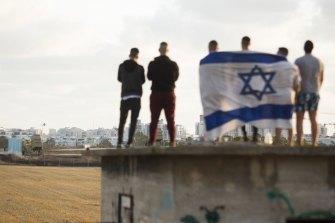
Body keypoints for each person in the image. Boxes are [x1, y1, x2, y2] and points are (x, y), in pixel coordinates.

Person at [147, 42, 179, 147]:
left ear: (159, 50)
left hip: (156, 92)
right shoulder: (173, 65)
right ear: (167, 50)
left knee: (154, 119)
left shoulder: (152, 64)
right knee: (170, 119)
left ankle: (152, 142)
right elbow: (176, 78)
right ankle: (172, 141)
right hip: (169, 93)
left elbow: (149, 77)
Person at [295, 40, 324, 146]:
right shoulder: (319, 62)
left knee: (299, 119)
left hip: (302, 92)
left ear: (304, 48)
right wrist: (317, 89)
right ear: (313, 48)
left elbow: (296, 79)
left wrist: (295, 94)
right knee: (313, 119)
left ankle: (299, 143)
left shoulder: (298, 61)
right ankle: (314, 143)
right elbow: (322, 78)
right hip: (314, 92)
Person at [117, 48, 145, 148]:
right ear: (137, 56)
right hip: (136, 97)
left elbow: (119, 78)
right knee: (133, 121)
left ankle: (119, 142)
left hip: (125, 97)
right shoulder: (140, 68)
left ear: (129, 55)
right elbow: (143, 81)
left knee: (122, 121)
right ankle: (130, 143)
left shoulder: (121, 66)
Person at [275, 47, 300, 146]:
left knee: (278, 120)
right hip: (289, 95)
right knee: (289, 120)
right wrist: (295, 97)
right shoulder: (293, 67)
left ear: (281, 53)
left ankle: (277, 142)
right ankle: (290, 142)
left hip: (278, 95)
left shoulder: (276, 67)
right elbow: (297, 85)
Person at [240, 36, 258, 142]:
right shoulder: (254, 56)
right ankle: (254, 135)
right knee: (254, 113)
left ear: (242, 43)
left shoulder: (237, 57)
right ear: (250, 43)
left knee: (242, 113)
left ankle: (245, 135)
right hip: (252, 88)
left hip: (242, 88)